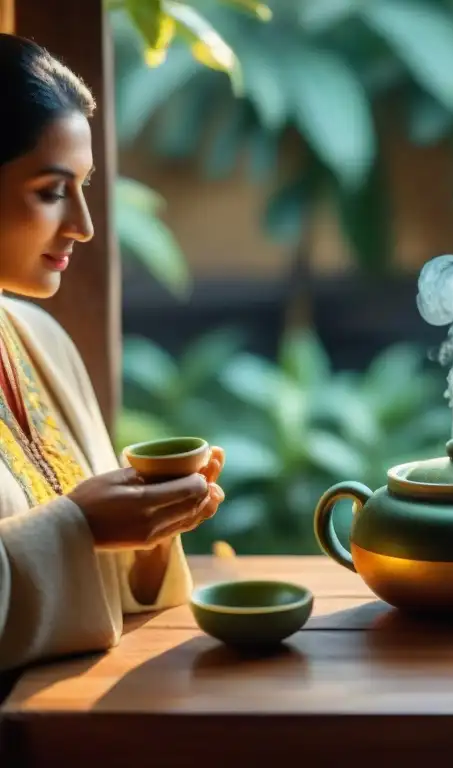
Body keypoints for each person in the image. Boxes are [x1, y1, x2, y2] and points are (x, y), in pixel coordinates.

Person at [0, 33, 225, 672]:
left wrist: (150, 527)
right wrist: (80, 527)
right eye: (50, 190)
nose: (84, 225)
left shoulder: (39, 338)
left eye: (84, 187)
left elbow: (105, 581)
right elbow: (77, 530)